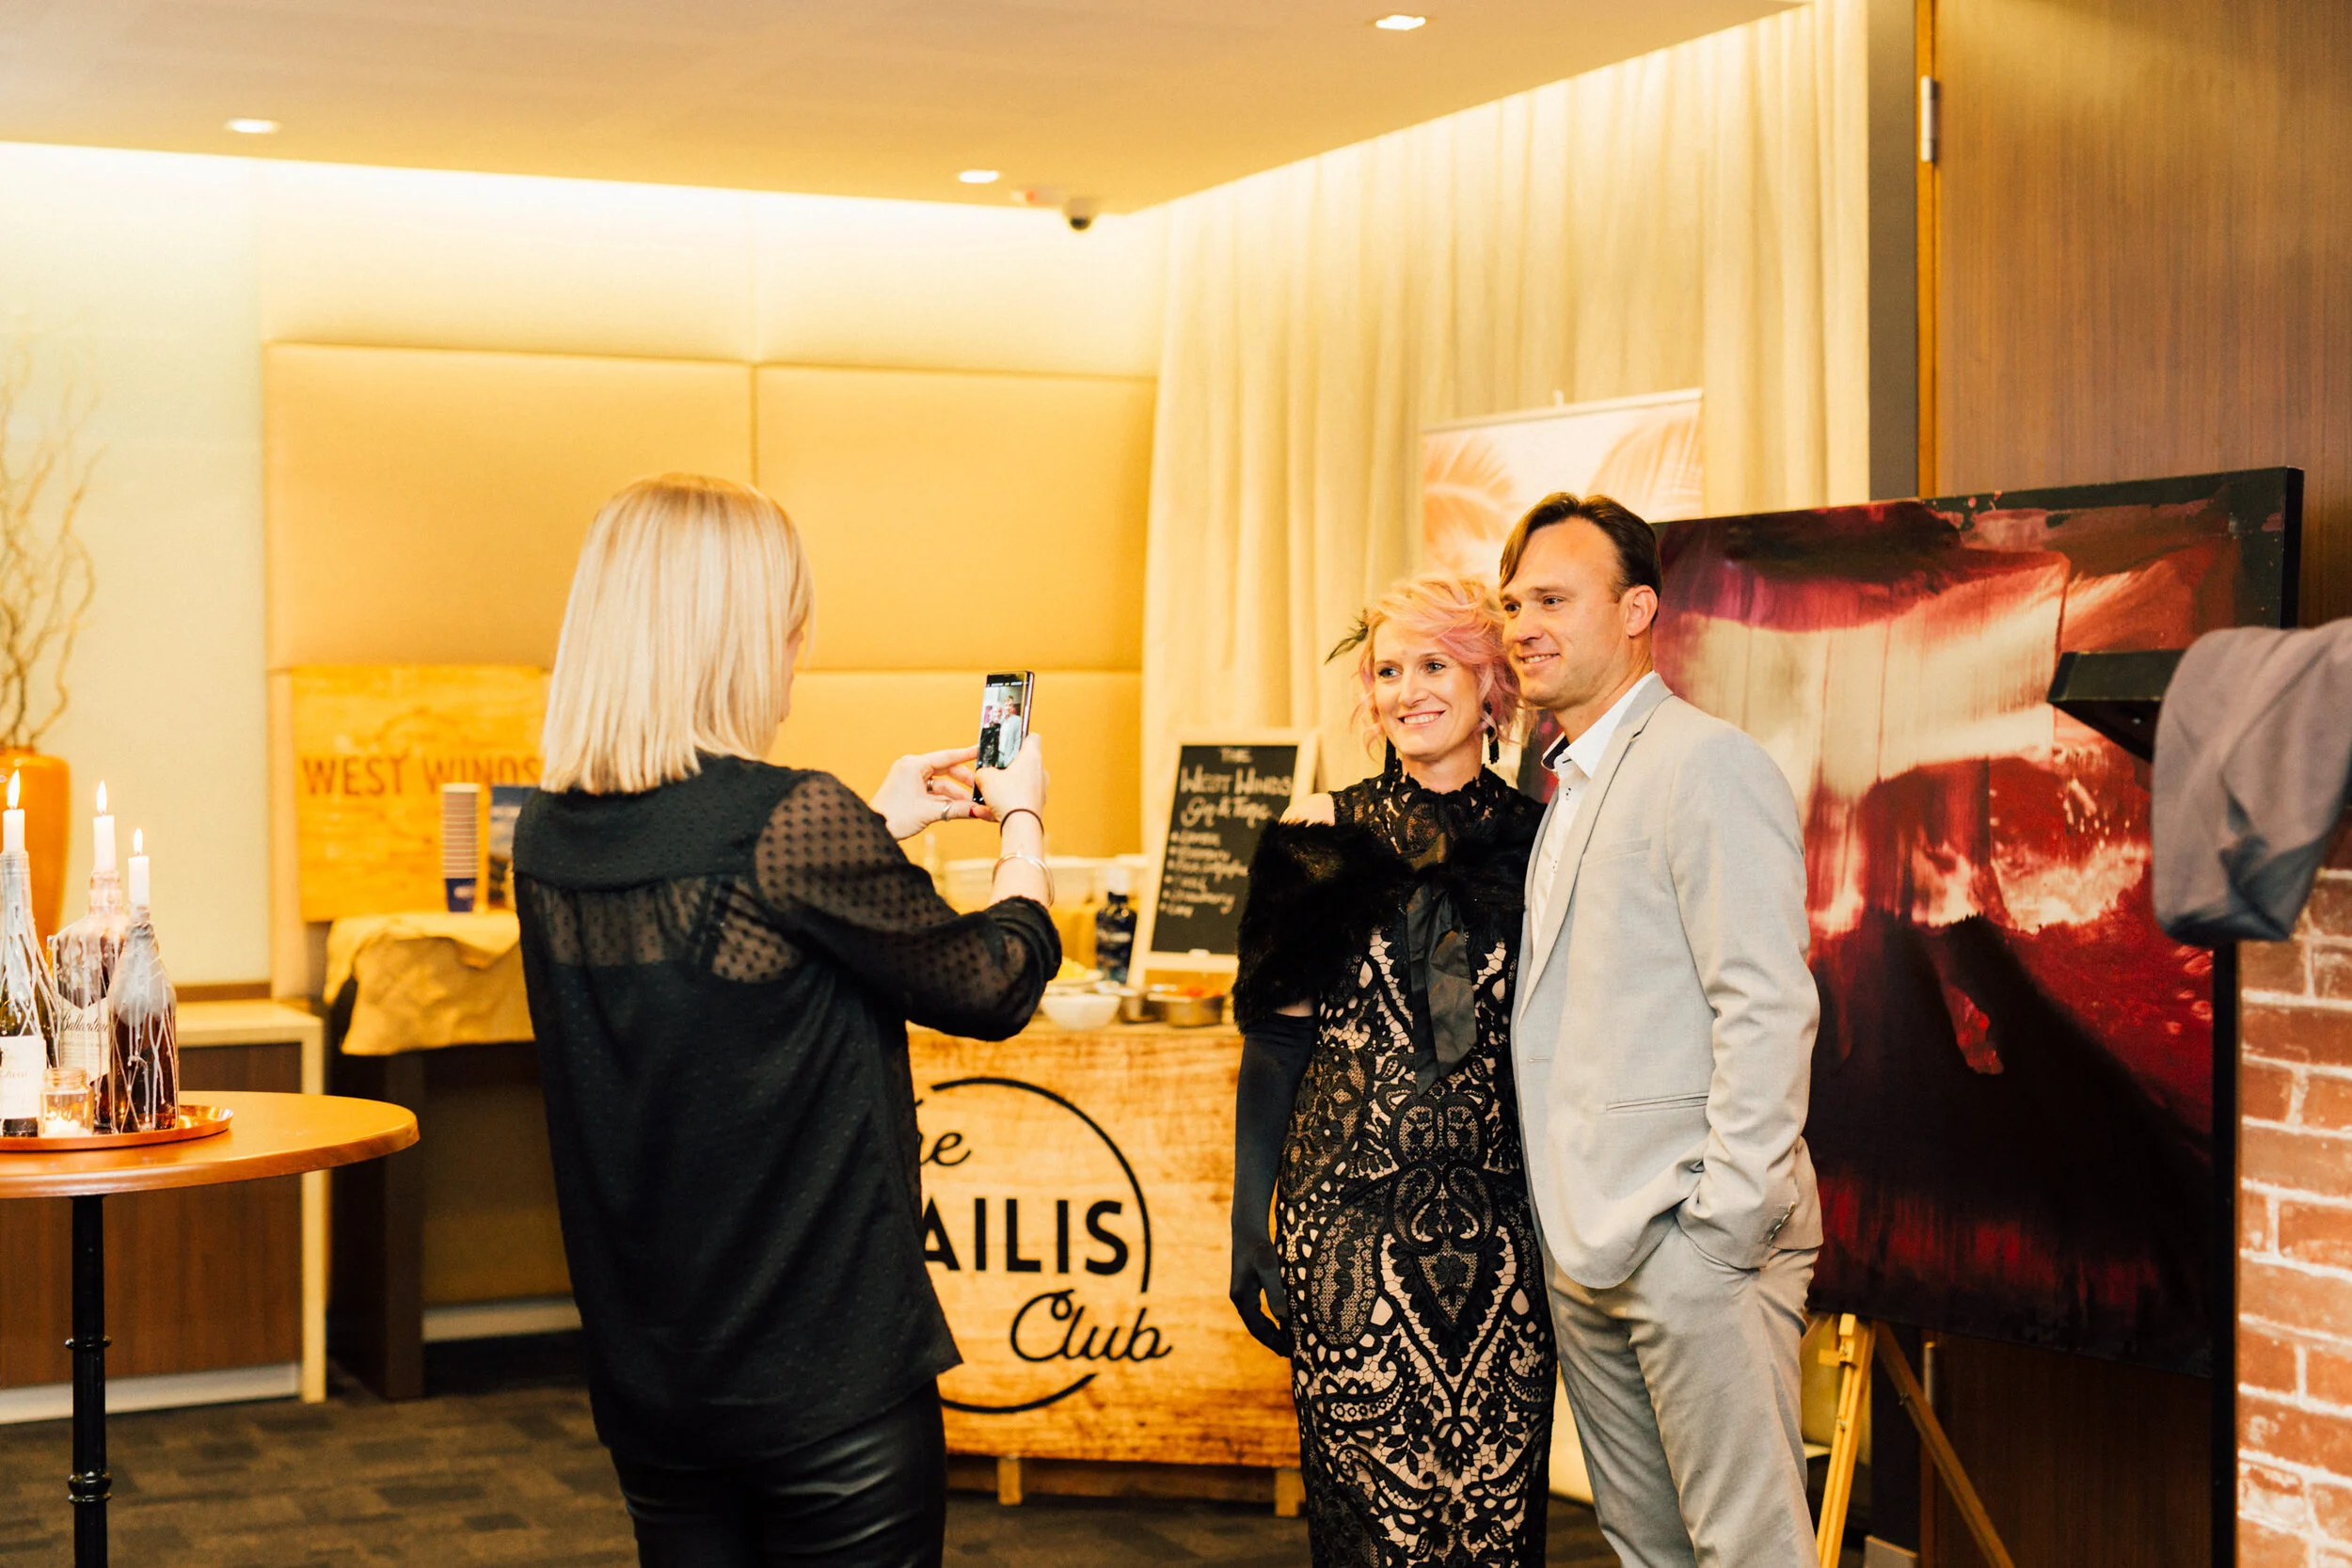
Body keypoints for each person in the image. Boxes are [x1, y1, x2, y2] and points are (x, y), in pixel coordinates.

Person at [512, 473, 1057, 1568]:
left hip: (656, 1384)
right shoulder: (786, 817)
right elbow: (996, 981)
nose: (798, 651)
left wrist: (868, 827)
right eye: (790, 621)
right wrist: (1022, 825)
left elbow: (718, 966)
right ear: (743, 635)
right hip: (825, 1382)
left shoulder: (547, 834)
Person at [1500, 492, 1820, 1567]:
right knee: (1646, 1548)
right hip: (1586, 1242)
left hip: (1693, 1239)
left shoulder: (1704, 760)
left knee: (1747, 1552)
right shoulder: (1566, 782)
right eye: (1514, 603)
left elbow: (1765, 1002)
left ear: (1637, 609)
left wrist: (1723, 1225)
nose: (1523, 624)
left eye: (1552, 599)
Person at [1230, 571, 1557, 1568]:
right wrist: (1251, 1219)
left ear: (1490, 683)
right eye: (1386, 671)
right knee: (1372, 1523)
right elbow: (1276, 1041)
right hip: (1347, 1233)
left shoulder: (1548, 841)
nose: (1407, 690)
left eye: (1434, 665)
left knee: (1493, 1522)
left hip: (1507, 1233)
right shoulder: (1314, 835)